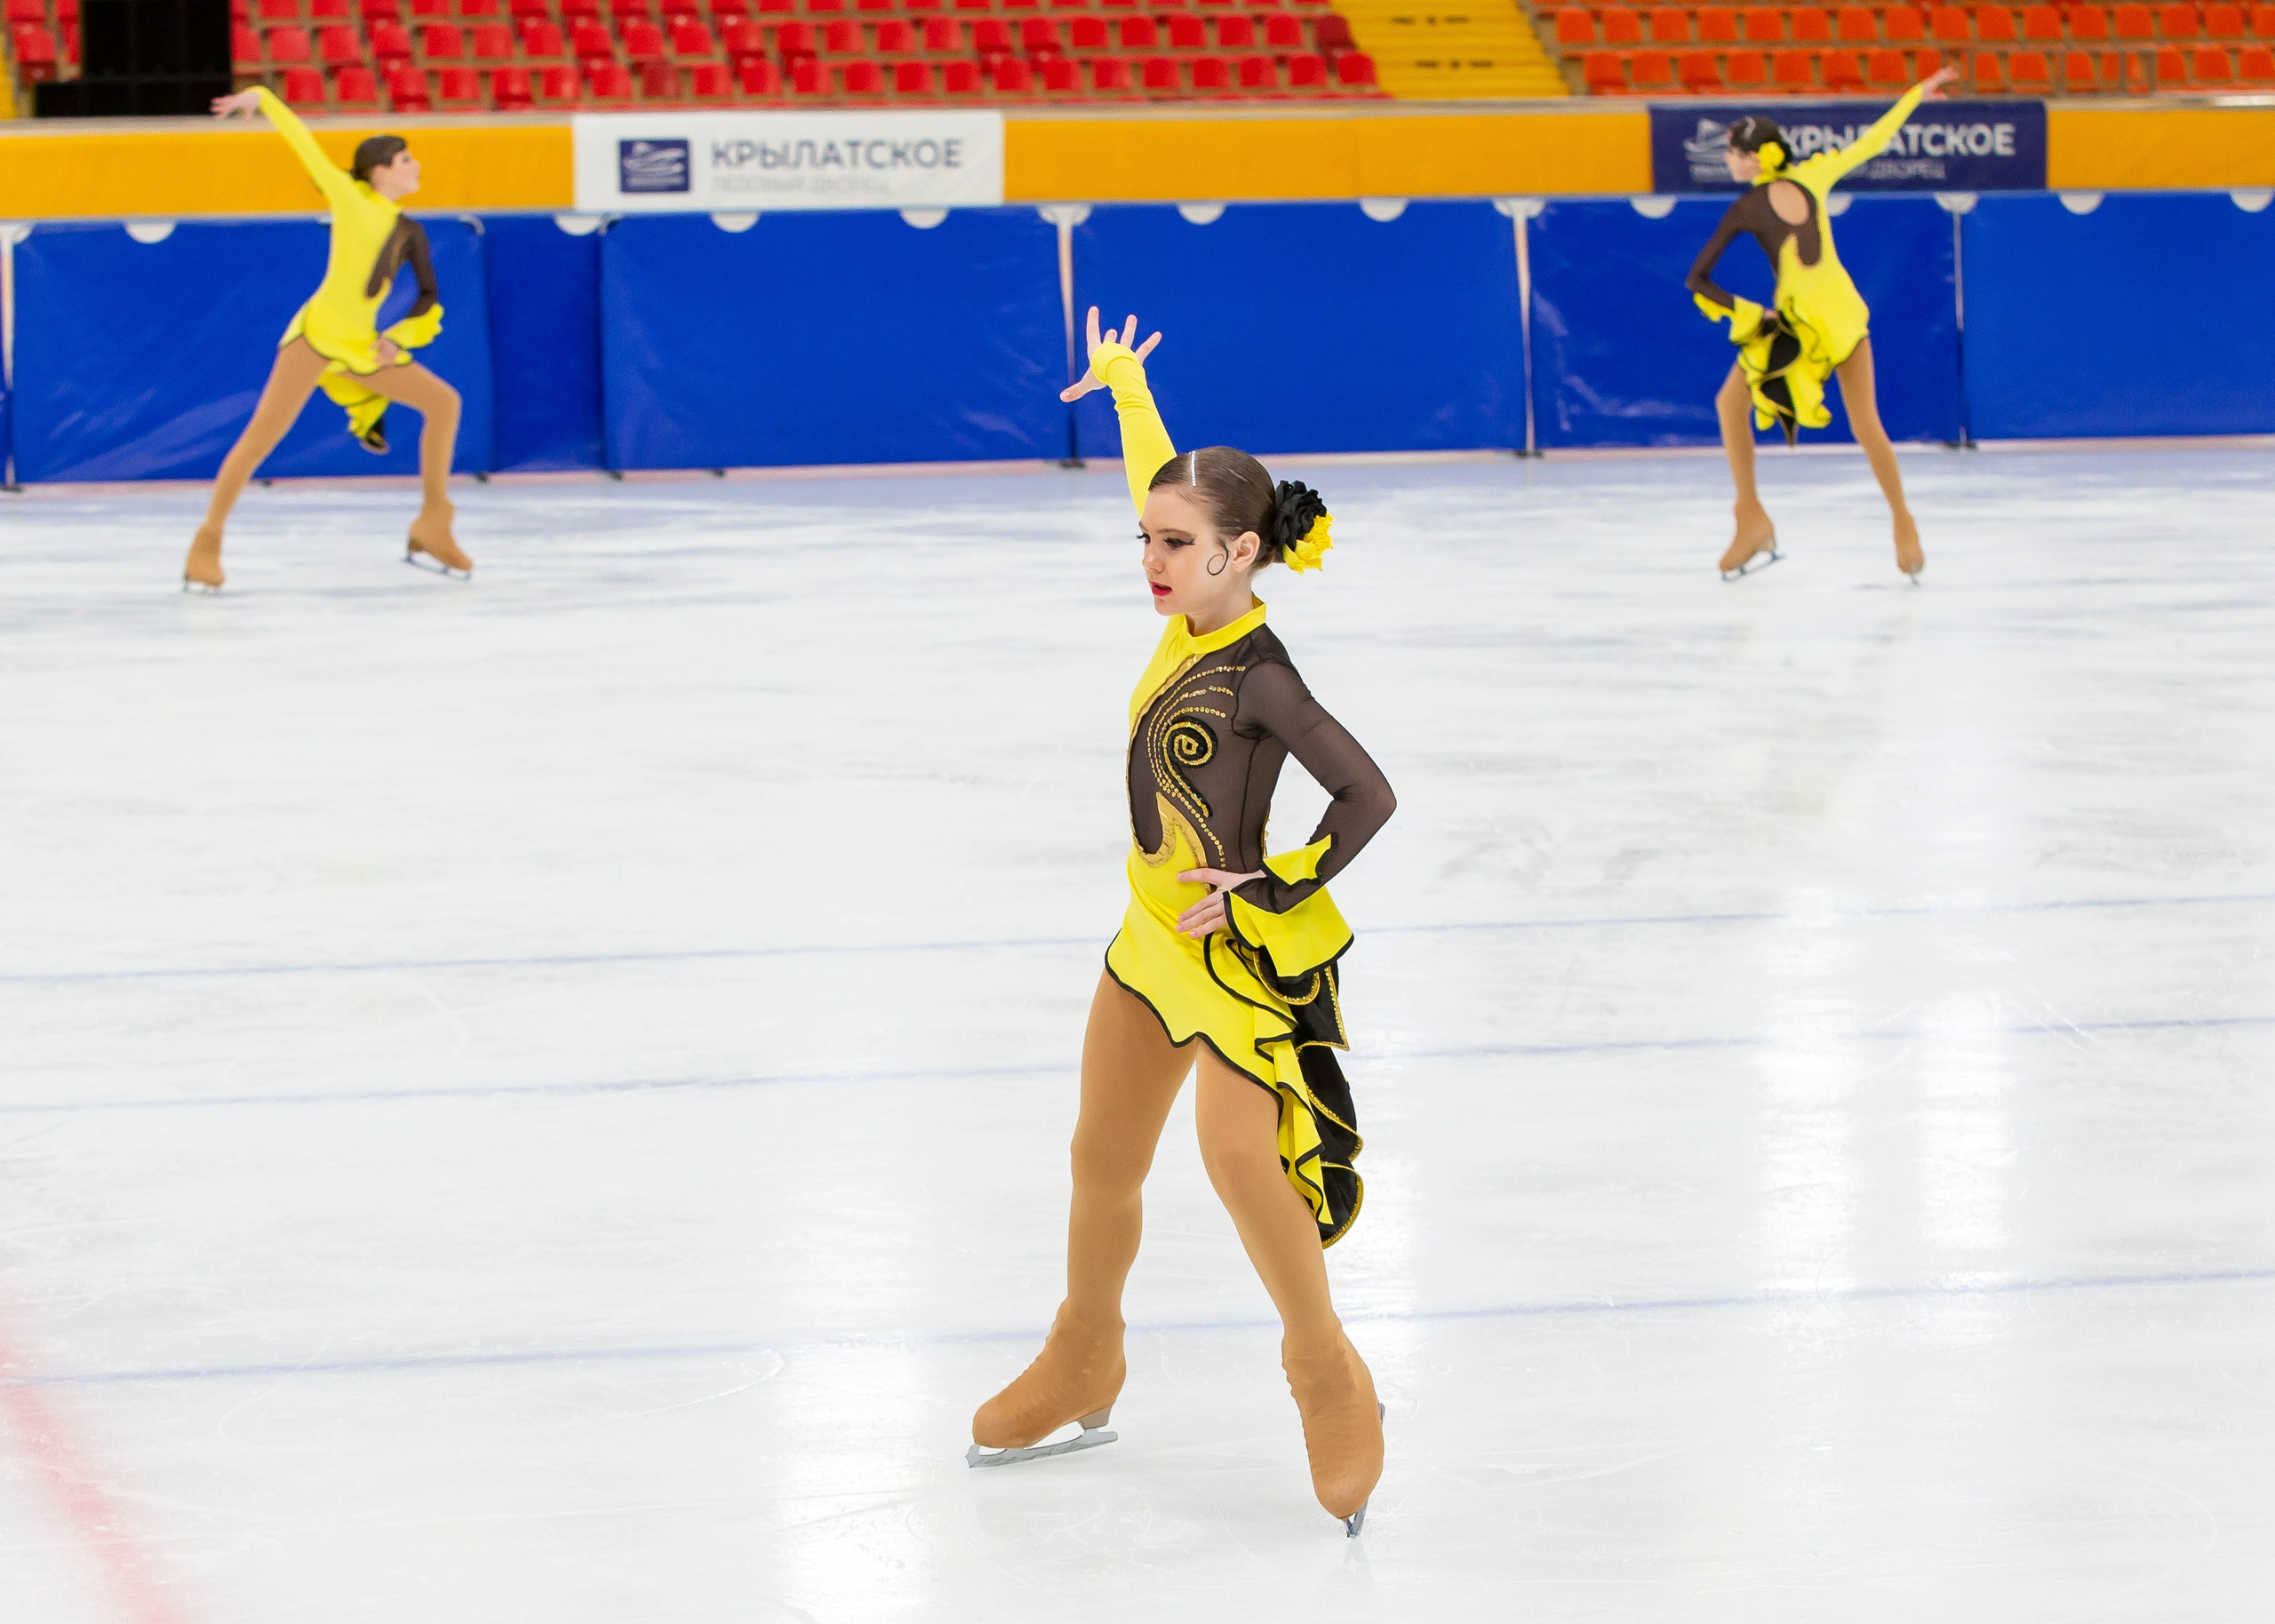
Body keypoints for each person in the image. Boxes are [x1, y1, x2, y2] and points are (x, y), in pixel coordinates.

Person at [967, 310, 1395, 1536]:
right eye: (1146, 539)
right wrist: (1127, 386)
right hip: (1150, 937)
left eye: (1174, 544)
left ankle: (1324, 1367)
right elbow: (1166, 479)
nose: (1151, 559)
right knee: (1100, 1157)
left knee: (1240, 1162)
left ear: (1239, 553)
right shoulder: (1187, 617)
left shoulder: (1261, 672)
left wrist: (1276, 884)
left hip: (1231, 954)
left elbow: (1368, 793)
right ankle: (1083, 1352)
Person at [181, 87, 471, 593]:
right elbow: (304, 143)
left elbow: (428, 296)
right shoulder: (350, 197)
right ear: (379, 172)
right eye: (406, 160)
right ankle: (207, 542)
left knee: (444, 403)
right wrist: (263, 99)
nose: (417, 165)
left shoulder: (409, 231)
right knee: (260, 439)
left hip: (360, 346)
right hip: (316, 339)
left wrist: (397, 337)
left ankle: (433, 521)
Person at [1686, 66, 1960, 582]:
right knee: (1866, 424)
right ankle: (1903, 524)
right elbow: (1873, 141)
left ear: (1754, 158)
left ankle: (1751, 515)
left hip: (1797, 331)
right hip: (1844, 314)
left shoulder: (1746, 209)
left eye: (1732, 153)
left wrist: (1752, 313)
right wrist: (1916, 95)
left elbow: (1697, 279)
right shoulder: (1813, 175)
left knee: (1730, 404)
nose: (1726, 160)